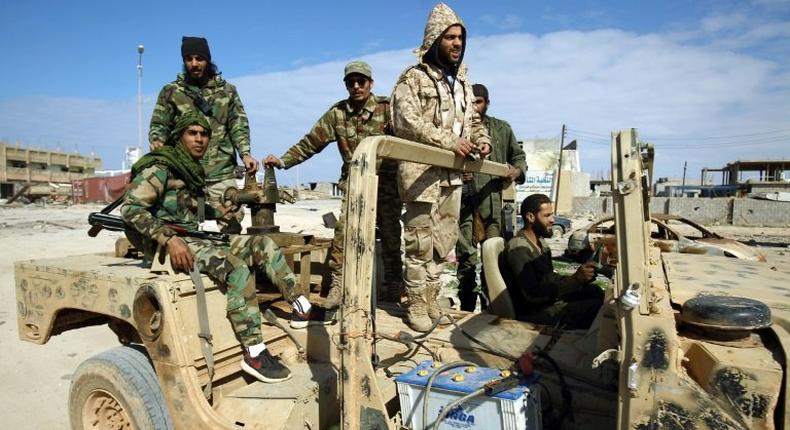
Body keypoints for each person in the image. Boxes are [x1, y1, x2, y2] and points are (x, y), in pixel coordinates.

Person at [123, 112, 330, 384]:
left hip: (194, 237)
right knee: (238, 269)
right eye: (192, 133)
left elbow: (188, 208)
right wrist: (169, 239)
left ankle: (301, 307)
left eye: (204, 134)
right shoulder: (161, 167)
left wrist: (216, 211)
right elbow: (131, 209)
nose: (199, 139)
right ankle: (254, 353)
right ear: (180, 136)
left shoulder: (191, 168)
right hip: (170, 244)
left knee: (263, 244)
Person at [263, 61, 403, 308]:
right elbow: (310, 143)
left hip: (387, 184)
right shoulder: (338, 114)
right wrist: (283, 160)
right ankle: (338, 284)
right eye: (351, 83)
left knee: (391, 236)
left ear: (371, 83)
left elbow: (410, 137)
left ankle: (393, 287)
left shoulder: (387, 109)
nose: (356, 87)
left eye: (361, 82)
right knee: (344, 233)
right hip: (355, 185)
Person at [390, 3, 491, 332]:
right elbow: (405, 121)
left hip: (453, 177)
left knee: (443, 243)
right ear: (435, 40)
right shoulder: (413, 79)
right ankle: (416, 301)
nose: (457, 44)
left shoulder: (461, 81)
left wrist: (482, 140)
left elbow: (473, 121)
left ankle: (432, 297)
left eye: (460, 38)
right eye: (450, 38)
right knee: (419, 243)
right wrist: (449, 141)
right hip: (421, 176)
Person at [149, 36, 257, 234]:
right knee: (178, 225)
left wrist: (245, 153)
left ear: (208, 60)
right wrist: (157, 145)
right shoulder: (172, 92)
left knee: (231, 223)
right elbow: (159, 125)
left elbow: (238, 124)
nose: (194, 64)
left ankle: (230, 261)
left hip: (220, 172)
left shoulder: (227, 92)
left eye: (199, 58)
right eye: (188, 59)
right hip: (184, 173)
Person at [456, 83, 527, 311]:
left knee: (492, 262)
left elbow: (518, 157)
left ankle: (491, 311)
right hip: (463, 205)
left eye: (479, 102)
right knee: (466, 262)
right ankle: (466, 310)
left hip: (492, 205)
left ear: (487, 102)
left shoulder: (501, 129)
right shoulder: (458, 127)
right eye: (471, 102)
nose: (475, 107)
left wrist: (516, 171)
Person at [506, 194, 603, 329]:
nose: (552, 220)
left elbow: (550, 278)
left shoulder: (541, 244)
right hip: (531, 312)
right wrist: (575, 280)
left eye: (552, 215)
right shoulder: (518, 247)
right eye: (547, 216)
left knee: (595, 291)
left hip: (546, 301)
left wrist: (580, 279)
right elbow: (532, 295)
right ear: (530, 217)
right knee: (596, 307)